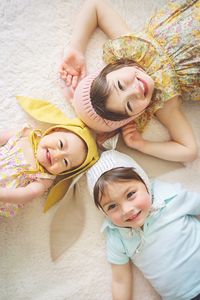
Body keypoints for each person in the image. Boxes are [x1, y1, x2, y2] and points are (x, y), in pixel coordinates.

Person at [60, 0, 199, 162]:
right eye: (130, 105)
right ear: (135, 116)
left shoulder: (132, 48)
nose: (135, 90)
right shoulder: (164, 102)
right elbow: (189, 151)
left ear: (114, 68)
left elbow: (95, 6)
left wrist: (77, 48)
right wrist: (142, 145)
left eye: (120, 85)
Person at [86, 149, 200, 300]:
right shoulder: (116, 234)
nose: (127, 210)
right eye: (112, 206)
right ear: (104, 213)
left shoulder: (169, 196)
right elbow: (120, 280)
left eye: (130, 194)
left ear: (145, 183)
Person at [0, 96, 99, 218]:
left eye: (65, 162)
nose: (57, 155)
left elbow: (27, 194)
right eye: (61, 144)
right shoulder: (27, 135)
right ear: (54, 131)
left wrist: (3, 194)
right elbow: (3, 137)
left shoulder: (44, 178)